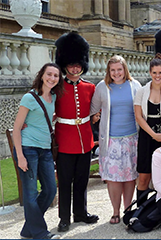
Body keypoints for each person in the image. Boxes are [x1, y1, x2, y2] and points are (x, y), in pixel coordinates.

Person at [13, 63, 64, 239]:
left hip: (46, 150)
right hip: (28, 150)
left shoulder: (53, 97)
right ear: (42, 75)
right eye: (49, 74)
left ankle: (29, 229)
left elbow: (45, 117)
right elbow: (17, 128)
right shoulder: (29, 97)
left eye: (56, 76)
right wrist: (20, 156)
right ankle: (41, 233)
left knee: (50, 190)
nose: (52, 78)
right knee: (31, 193)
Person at [54, 32, 99, 232]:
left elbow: (94, 110)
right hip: (65, 139)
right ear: (64, 65)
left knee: (82, 179)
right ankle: (64, 217)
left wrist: (95, 117)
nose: (75, 67)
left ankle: (80, 212)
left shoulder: (90, 87)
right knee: (65, 182)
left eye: (78, 64)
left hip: (85, 139)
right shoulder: (56, 86)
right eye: (71, 64)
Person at [90, 55, 141, 224]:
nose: (116, 73)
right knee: (113, 178)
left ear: (125, 69)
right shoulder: (102, 87)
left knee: (129, 177)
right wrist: (95, 117)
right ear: (108, 71)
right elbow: (92, 109)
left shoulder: (135, 85)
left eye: (119, 69)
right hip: (111, 140)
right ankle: (115, 211)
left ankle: (127, 209)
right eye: (113, 70)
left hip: (132, 139)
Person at [134, 54, 161, 205]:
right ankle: (140, 210)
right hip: (147, 136)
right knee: (144, 176)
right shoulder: (141, 92)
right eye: (154, 72)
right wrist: (153, 135)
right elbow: (139, 117)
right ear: (150, 73)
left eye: (160, 72)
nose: (157, 76)